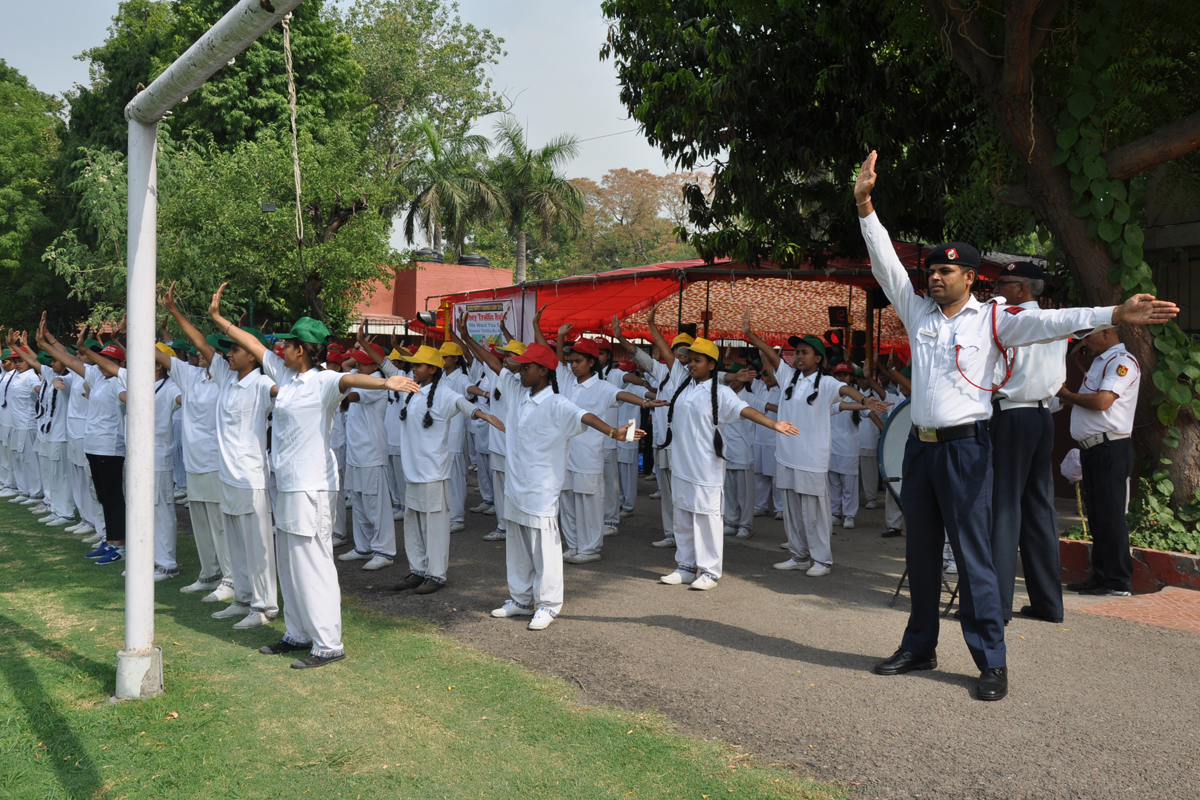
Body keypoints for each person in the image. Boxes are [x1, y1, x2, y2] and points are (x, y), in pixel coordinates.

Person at [854, 149, 1177, 700]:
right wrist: (865, 205)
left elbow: (1056, 320)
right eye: (930, 269)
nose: (933, 276)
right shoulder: (917, 313)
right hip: (922, 450)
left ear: (970, 277)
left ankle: (990, 661)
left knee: (976, 552)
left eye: (944, 270)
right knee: (922, 550)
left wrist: (1113, 314)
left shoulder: (997, 318)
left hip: (967, 450)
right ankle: (920, 644)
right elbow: (884, 261)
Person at [212, 285, 422, 668]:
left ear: (303, 350)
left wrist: (387, 381)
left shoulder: (324, 381)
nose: (281, 350)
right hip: (286, 484)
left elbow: (351, 382)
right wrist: (219, 319)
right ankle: (297, 633)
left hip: (313, 486)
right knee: (290, 562)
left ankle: (328, 643)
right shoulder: (285, 376)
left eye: (289, 344)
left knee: (314, 561)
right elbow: (254, 345)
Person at [467, 340, 645, 630]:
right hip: (516, 486)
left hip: (540, 489)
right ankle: (521, 600)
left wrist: (614, 431)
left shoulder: (557, 403)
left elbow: (583, 416)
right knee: (518, 545)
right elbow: (495, 363)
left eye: (526, 367)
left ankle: (548, 605)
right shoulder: (517, 392)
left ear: (544, 371)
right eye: (521, 366)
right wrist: (466, 337)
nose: (520, 370)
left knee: (543, 547)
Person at [743, 315, 887, 577]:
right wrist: (750, 335)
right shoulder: (787, 377)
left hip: (812, 459)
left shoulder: (827, 383)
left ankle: (822, 560)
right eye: (796, 352)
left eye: (804, 352)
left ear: (818, 358)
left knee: (815, 512)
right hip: (786, 456)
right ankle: (798, 555)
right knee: (791, 509)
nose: (798, 356)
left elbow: (846, 391)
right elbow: (770, 356)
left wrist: (865, 401)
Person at [657, 338, 799, 589]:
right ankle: (686, 566)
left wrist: (774, 424)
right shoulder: (683, 387)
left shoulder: (721, 392)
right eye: (689, 360)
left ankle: (710, 571)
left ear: (712, 365)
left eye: (697, 360)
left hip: (705, 468)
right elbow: (669, 356)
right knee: (683, 514)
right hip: (681, 464)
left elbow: (745, 410)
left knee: (707, 518)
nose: (691, 365)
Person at [389, 343, 501, 596]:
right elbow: (387, 368)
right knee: (413, 522)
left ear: (432, 368)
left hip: (432, 472)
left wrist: (484, 416)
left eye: (418, 365)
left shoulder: (444, 393)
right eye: (413, 364)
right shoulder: (411, 389)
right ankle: (417, 570)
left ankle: (436, 575)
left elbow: (463, 404)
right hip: (412, 470)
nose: (413, 368)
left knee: (435, 525)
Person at [990, 261, 1068, 623]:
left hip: (1012, 413)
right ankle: (1048, 603)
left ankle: (997, 605)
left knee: (1004, 507)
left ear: (1021, 289)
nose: (996, 289)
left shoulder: (1008, 319)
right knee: (1038, 508)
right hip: (1042, 415)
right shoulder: (1052, 321)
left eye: (1002, 282)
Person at [540, 328, 649, 564]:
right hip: (565, 455)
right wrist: (553, 334)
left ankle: (590, 548)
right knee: (567, 501)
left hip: (588, 457)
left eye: (579, 361)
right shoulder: (567, 380)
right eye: (571, 361)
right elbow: (554, 358)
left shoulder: (602, 386)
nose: (573, 365)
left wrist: (645, 402)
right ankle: (574, 545)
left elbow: (621, 394)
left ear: (592, 362)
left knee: (588, 504)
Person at [1056, 326, 1141, 598]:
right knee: (1097, 516)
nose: (1084, 342)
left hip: (1110, 448)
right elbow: (1090, 384)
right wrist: (1078, 353)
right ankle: (1101, 575)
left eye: (1088, 337)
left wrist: (1065, 394)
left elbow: (1103, 401)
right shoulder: (1100, 362)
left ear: (1106, 333)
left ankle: (1119, 581)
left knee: (1111, 517)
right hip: (1093, 449)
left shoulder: (1121, 362)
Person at [41, 323, 129, 565]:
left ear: (119, 363)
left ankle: (119, 544)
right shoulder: (97, 377)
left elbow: (128, 399)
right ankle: (110, 540)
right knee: (102, 495)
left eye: (107, 361)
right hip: (93, 445)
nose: (101, 364)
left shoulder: (120, 383)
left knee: (113, 497)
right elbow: (70, 361)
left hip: (110, 447)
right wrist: (43, 343)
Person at [155, 327, 229, 598]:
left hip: (215, 461)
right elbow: (158, 356)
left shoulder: (226, 378)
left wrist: (177, 315)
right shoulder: (190, 374)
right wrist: (132, 333)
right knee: (200, 521)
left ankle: (229, 579)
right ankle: (208, 573)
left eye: (206, 348)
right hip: (194, 461)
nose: (199, 352)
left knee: (219, 523)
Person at [612, 307, 693, 548]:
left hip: (683, 445)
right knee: (667, 491)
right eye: (678, 351)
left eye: (686, 352)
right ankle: (671, 533)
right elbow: (638, 354)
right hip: (663, 443)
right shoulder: (662, 373)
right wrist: (620, 338)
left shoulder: (692, 377)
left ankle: (686, 536)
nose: (681, 356)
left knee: (683, 492)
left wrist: (651, 325)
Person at [338, 338, 399, 572]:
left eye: (365, 364)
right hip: (355, 453)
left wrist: (341, 398)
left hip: (372, 453)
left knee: (376, 504)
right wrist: (361, 350)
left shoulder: (377, 383)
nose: (358, 367)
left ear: (375, 366)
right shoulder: (357, 375)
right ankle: (363, 547)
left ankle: (384, 551)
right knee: (358, 501)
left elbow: (354, 397)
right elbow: (346, 366)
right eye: (359, 364)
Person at [721, 362, 766, 540]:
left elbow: (767, 407)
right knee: (729, 489)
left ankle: (746, 524)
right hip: (726, 450)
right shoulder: (723, 396)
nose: (731, 380)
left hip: (743, 451)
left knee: (745, 493)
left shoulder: (751, 397)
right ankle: (731, 521)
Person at [827, 362, 863, 529]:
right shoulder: (828, 395)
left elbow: (869, 411)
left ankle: (849, 515)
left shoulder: (857, 396)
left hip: (849, 448)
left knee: (849, 484)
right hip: (831, 445)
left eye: (845, 375)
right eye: (838, 375)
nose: (841, 378)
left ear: (851, 377)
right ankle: (835, 513)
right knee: (833, 482)